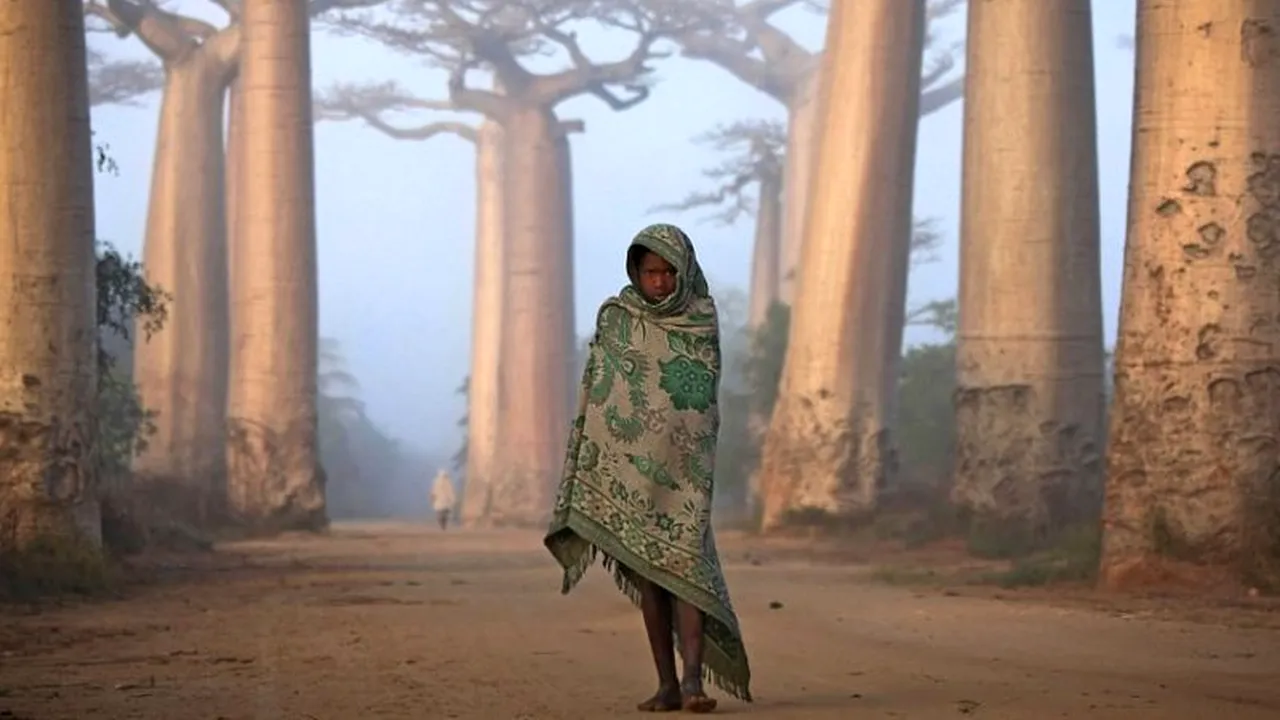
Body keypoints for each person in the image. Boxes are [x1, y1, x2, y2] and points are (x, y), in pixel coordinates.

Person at [545, 224, 752, 713]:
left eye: (667, 272)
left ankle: (695, 681)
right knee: (652, 582)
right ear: (635, 273)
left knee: (688, 571)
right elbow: (599, 394)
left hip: (685, 472)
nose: (658, 282)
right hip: (631, 474)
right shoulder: (618, 319)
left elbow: (700, 397)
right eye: (649, 272)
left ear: (683, 272)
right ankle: (667, 685)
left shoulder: (699, 318)